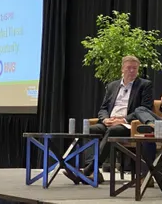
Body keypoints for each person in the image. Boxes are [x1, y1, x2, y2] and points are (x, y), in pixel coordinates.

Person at [63, 55, 153, 184]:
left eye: (135, 68)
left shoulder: (144, 85)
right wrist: (105, 119)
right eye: (129, 68)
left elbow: (144, 109)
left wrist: (124, 120)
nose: (132, 71)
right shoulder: (112, 86)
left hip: (128, 125)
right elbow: (103, 108)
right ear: (122, 69)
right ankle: (95, 173)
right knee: (89, 129)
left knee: (113, 131)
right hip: (109, 122)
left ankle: (88, 170)